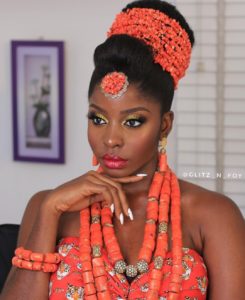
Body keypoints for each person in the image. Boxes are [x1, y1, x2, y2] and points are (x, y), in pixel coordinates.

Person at [1, 1, 245, 299]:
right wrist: (51, 209)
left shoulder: (213, 215)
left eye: (133, 121)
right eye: (98, 119)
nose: (111, 139)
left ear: (164, 125)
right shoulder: (48, 207)